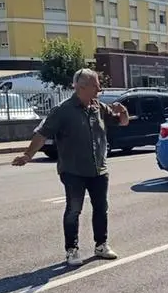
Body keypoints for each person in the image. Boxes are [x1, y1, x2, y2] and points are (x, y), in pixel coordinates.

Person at [12, 69, 130, 266]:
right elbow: (42, 134)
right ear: (81, 87)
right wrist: (28, 155)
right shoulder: (62, 110)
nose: (100, 88)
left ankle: (101, 245)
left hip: (99, 169)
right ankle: (72, 250)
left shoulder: (99, 107)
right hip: (73, 170)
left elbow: (123, 122)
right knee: (74, 209)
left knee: (101, 208)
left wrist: (123, 112)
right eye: (96, 85)